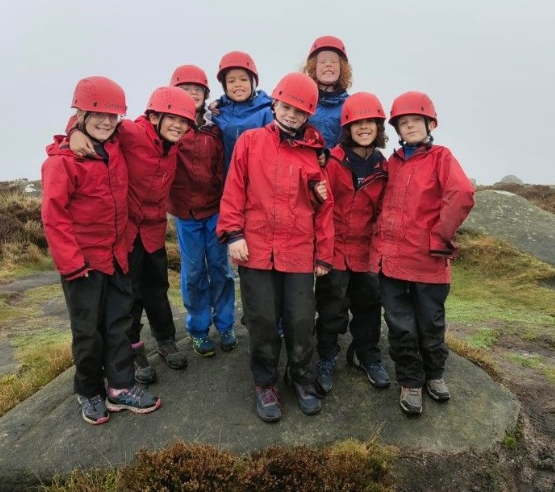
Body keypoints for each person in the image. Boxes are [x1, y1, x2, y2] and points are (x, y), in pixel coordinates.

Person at [41, 76, 161, 425]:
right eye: (97, 113)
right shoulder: (62, 162)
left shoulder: (116, 148)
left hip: (117, 258)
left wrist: (76, 130)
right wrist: (72, 265)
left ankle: (120, 388)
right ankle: (89, 390)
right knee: (88, 331)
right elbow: (54, 218)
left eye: (112, 115)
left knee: (119, 325)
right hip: (83, 265)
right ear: (80, 113)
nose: (106, 121)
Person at [217, 72, 334, 423]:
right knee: (262, 321)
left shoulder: (317, 155)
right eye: (286, 106)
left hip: (299, 251)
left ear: (308, 115)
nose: (291, 114)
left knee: (300, 321)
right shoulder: (250, 141)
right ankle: (264, 383)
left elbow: (325, 209)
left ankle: (301, 377)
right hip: (254, 249)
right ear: (275, 104)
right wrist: (233, 234)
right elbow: (234, 188)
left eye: (300, 111)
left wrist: (324, 254)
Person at [67, 86, 196, 384]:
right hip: (127, 233)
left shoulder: (173, 146)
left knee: (158, 289)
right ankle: (133, 350)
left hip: (153, 231)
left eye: (184, 121)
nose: (178, 125)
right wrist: (74, 130)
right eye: (172, 118)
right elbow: (98, 122)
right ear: (153, 117)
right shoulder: (132, 132)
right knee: (130, 295)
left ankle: (165, 341)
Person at [371, 91, 475, 415]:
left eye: (416, 120)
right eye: (403, 122)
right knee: (401, 326)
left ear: (430, 123)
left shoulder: (442, 157)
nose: (410, 125)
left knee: (430, 323)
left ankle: (434, 374)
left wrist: (440, 236)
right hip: (390, 261)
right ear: (397, 130)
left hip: (427, 262)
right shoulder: (391, 163)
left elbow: (462, 193)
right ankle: (411, 381)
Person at [315, 92, 390, 394]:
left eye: (370, 122)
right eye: (357, 122)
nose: (364, 127)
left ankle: (366, 354)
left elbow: (385, 212)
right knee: (331, 305)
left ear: (378, 127)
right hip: (333, 248)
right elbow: (319, 207)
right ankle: (326, 357)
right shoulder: (331, 161)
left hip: (367, 250)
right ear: (347, 126)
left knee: (369, 304)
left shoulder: (384, 168)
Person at [167, 64, 237, 358]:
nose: (192, 93)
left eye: (198, 89)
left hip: (215, 210)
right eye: (185, 89)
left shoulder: (215, 125)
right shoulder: (168, 125)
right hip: (185, 214)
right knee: (194, 272)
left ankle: (225, 325)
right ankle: (198, 329)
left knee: (221, 269)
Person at [210, 50, 273, 174]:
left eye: (243, 79)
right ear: (225, 86)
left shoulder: (268, 110)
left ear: (253, 82)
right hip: (230, 179)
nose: (237, 85)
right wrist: (218, 102)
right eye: (231, 81)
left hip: (260, 178)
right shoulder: (219, 113)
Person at [302, 35, 352, 150]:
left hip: (338, 164)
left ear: (342, 68)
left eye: (334, 62)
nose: (328, 64)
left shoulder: (350, 105)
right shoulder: (302, 101)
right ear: (313, 67)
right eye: (322, 62)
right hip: (307, 162)